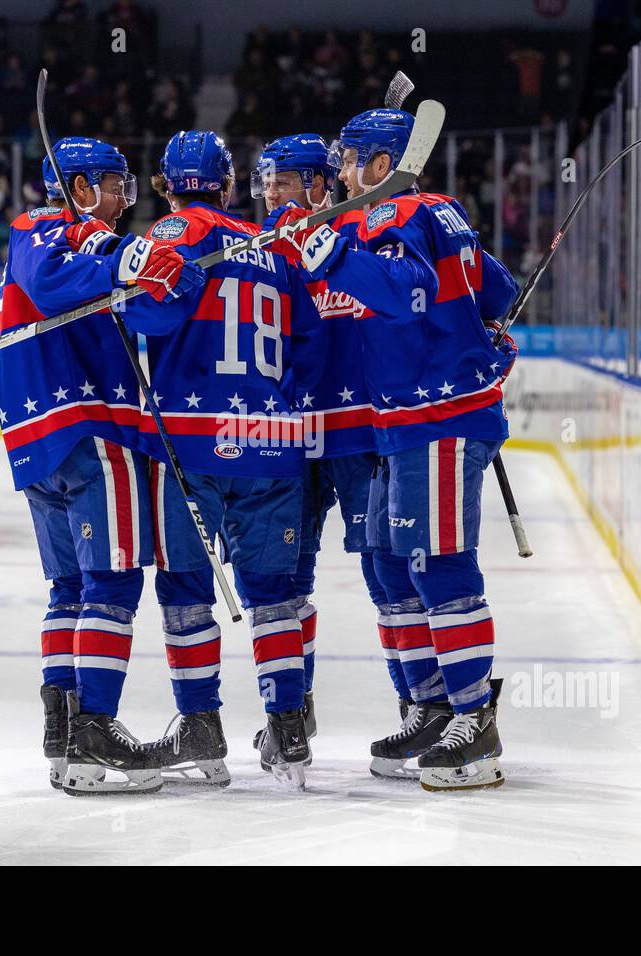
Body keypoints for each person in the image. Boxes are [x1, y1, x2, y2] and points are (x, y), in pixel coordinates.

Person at [271, 108, 520, 791]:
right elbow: (497, 289)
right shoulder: (438, 214)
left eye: (349, 160)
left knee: (438, 565)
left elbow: (407, 294)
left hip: (437, 416)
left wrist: (324, 250)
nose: (340, 173)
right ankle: (435, 707)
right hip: (403, 423)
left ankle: (474, 723)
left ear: (383, 166)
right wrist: (482, 327)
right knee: (389, 561)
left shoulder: (397, 217)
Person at [0, 136, 199, 795]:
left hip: (42, 438)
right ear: (79, 187)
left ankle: (65, 735)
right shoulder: (45, 225)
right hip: (87, 425)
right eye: (112, 185)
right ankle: (95, 734)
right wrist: (135, 256)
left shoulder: (95, 246)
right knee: (110, 582)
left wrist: (173, 275)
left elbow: (153, 313)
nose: (122, 198)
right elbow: (57, 277)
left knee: (71, 588)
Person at [120, 130, 324, 790]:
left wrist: (129, 286)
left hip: (191, 442)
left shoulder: (177, 233)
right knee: (275, 595)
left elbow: (150, 318)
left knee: (184, 588)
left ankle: (200, 724)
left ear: (168, 183)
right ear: (229, 185)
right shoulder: (271, 248)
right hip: (271, 442)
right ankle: (289, 729)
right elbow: (312, 345)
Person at [251, 133, 397, 752]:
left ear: (318, 183)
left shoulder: (361, 231)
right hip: (290, 435)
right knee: (287, 576)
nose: (269, 195)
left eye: (282, 182)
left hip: (358, 431)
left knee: (386, 568)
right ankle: (294, 709)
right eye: (265, 183)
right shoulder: (263, 248)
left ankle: (423, 706)